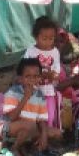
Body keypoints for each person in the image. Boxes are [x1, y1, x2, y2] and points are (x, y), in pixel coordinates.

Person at [22, 16, 64, 147]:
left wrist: (53, 75)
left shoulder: (55, 52)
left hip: (49, 92)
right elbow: (24, 70)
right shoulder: (31, 51)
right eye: (44, 38)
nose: (47, 42)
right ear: (36, 37)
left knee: (49, 117)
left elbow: (57, 71)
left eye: (51, 39)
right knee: (34, 117)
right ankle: (34, 140)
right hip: (34, 93)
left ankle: (47, 141)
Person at [2, 58, 52, 156]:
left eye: (36, 76)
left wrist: (44, 135)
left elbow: (41, 120)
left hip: (30, 128)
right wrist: (25, 97)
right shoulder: (12, 92)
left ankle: (29, 147)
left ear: (40, 78)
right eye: (28, 76)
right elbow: (11, 117)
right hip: (9, 128)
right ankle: (14, 148)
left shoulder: (39, 94)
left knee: (56, 133)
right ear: (20, 78)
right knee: (29, 126)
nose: (32, 80)